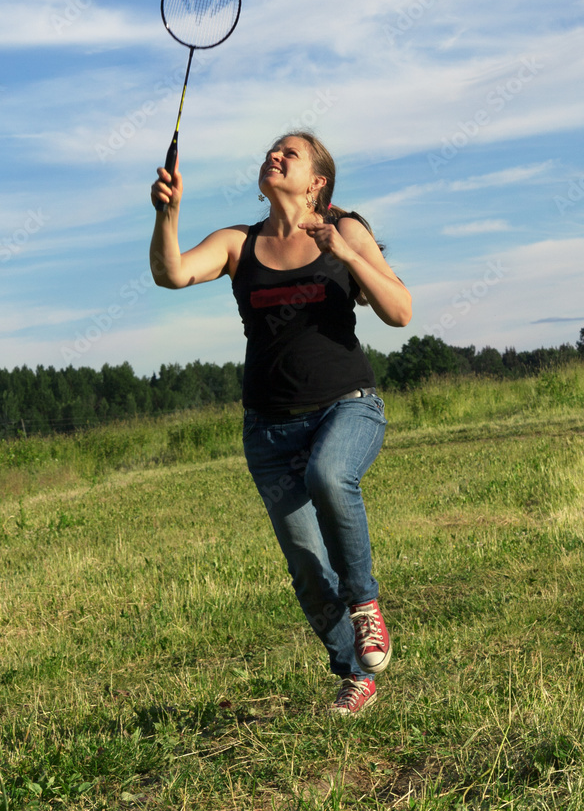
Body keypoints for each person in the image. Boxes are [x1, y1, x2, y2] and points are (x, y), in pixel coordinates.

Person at [149, 130, 412, 716]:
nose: (274, 156)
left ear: (317, 181)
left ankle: (365, 604)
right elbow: (171, 274)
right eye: (272, 150)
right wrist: (167, 217)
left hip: (349, 404)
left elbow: (400, 311)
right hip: (268, 430)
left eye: (289, 153)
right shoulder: (237, 243)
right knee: (306, 568)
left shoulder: (345, 231)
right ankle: (353, 673)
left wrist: (345, 255)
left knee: (329, 476)